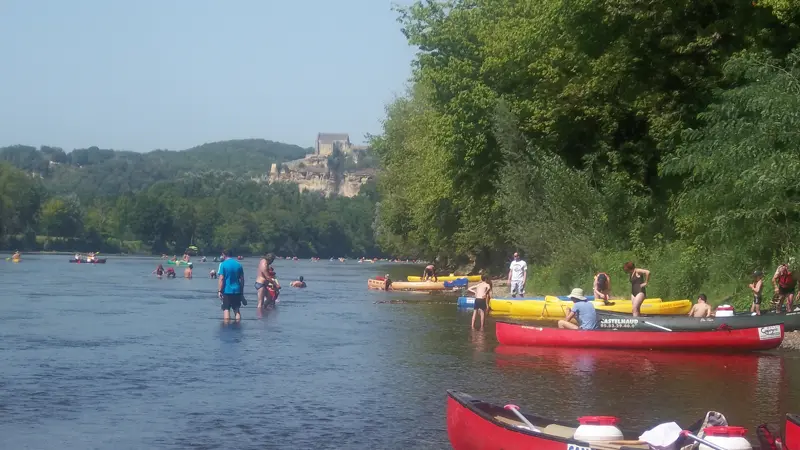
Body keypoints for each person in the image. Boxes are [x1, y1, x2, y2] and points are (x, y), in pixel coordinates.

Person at [218, 249, 246, 321]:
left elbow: (221, 279)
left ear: (224, 255)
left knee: (226, 309)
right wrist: (241, 292)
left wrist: (219, 291)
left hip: (227, 290)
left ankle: (227, 325)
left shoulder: (223, 264)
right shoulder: (238, 264)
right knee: (236, 309)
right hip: (237, 290)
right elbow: (242, 280)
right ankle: (238, 324)